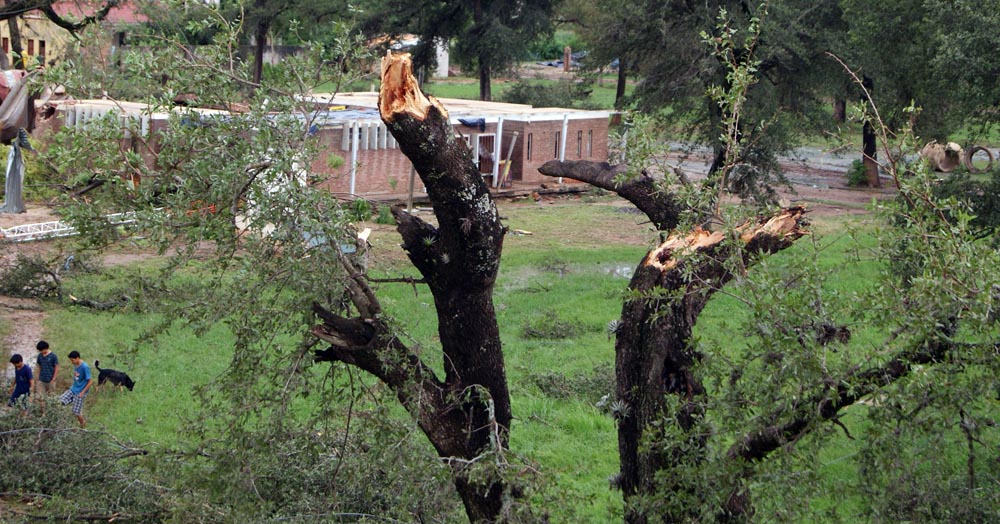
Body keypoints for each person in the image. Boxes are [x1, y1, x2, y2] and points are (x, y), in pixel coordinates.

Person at [59, 350, 92, 428]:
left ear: (77, 358)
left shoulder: (85, 367)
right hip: (73, 389)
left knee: (76, 412)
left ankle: (83, 425)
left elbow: (90, 381)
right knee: (60, 400)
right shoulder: (75, 365)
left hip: (80, 392)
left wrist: (82, 392)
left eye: (72, 360)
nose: (71, 362)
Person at [33, 340, 58, 414]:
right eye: (40, 350)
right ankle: (43, 413)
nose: (41, 352)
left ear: (46, 348)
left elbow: (56, 367)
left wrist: (54, 378)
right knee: (41, 398)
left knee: (51, 397)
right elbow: (39, 366)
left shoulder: (53, 356)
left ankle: (51, 412)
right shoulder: (40, 356)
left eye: (42, 350)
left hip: (51, 380)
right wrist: (38, 378)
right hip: (41, 380)